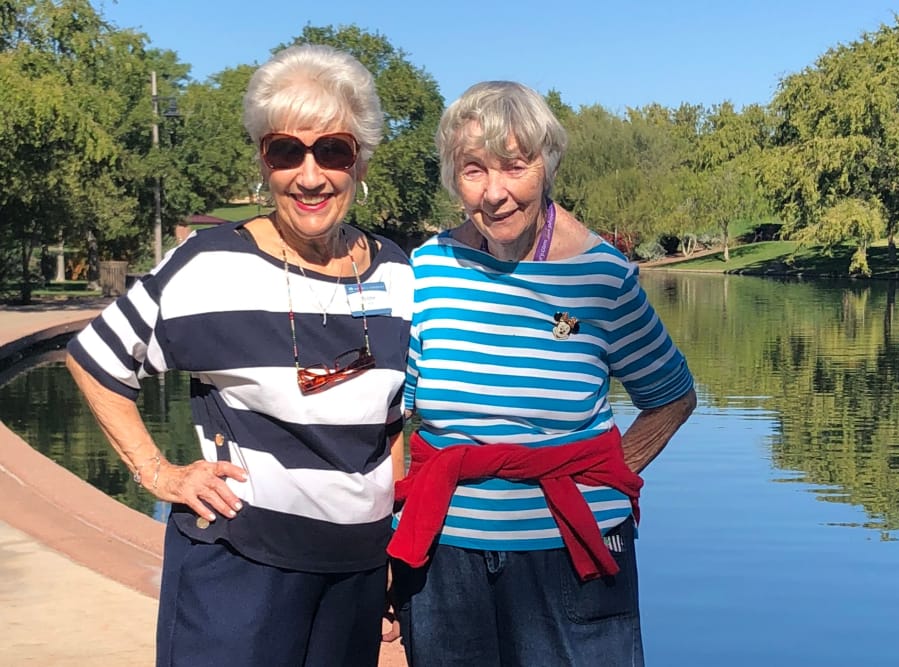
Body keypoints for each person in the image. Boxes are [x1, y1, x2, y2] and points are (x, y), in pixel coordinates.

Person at [66, 44, 412, 667]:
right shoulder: (209, 263)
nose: (310, 176)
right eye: (286, 151)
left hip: (356, 572)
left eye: (332, 150)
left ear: (361, 160)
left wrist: (393, 546)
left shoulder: (398, 274)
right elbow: (96, 359)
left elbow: (392, 425)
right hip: (239, 572)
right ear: (263, 159)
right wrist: (157, 474)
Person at [387, 81, 698, 667]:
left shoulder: (601, 275)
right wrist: (387, 542)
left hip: (572, 552)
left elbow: (672, 397)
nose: (496, 192)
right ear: (455, 179)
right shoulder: (426, 272)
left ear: (546, 166)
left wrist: (603, 476)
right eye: (474, 170)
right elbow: (390, 418)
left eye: (515, 165)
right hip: (444, 555)